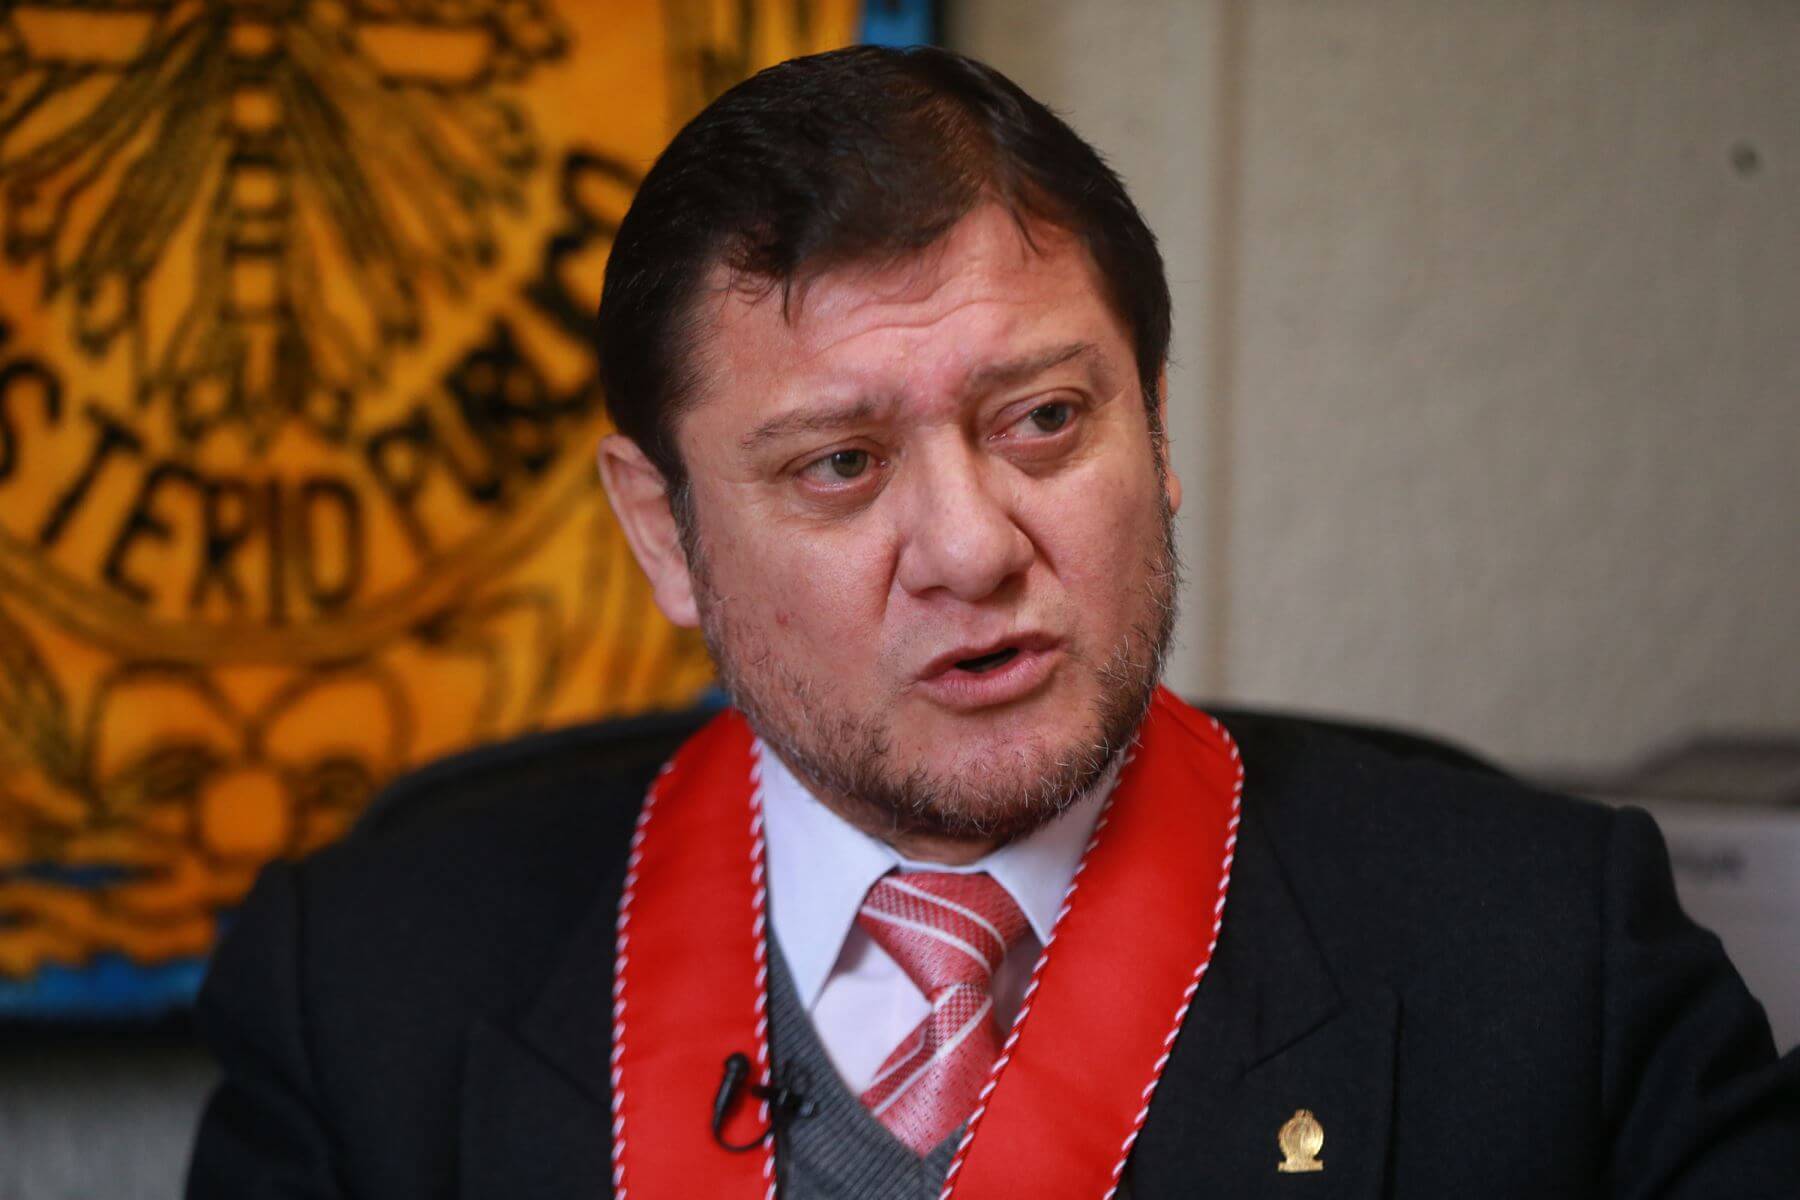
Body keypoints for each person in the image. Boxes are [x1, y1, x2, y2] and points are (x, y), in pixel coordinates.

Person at [186, 45, 1799, 1199]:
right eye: (839, 464)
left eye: (1043, 422)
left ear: (1154, 429)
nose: (970, 549)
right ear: (663, 531)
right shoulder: (368, 992)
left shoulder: (1551, 959)